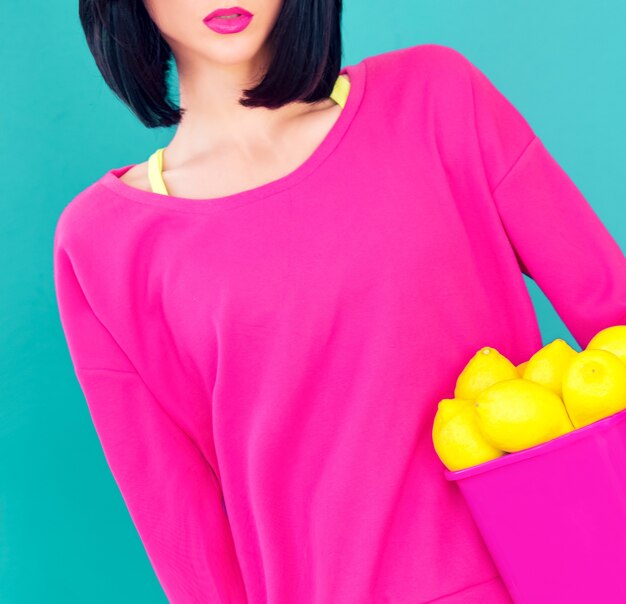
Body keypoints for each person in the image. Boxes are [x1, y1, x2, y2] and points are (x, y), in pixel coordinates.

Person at [53, 1, 626, 602]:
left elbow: (612, 315)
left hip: (549, 580)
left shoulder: (436, 98)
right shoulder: (103, 243)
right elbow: (180, 526)